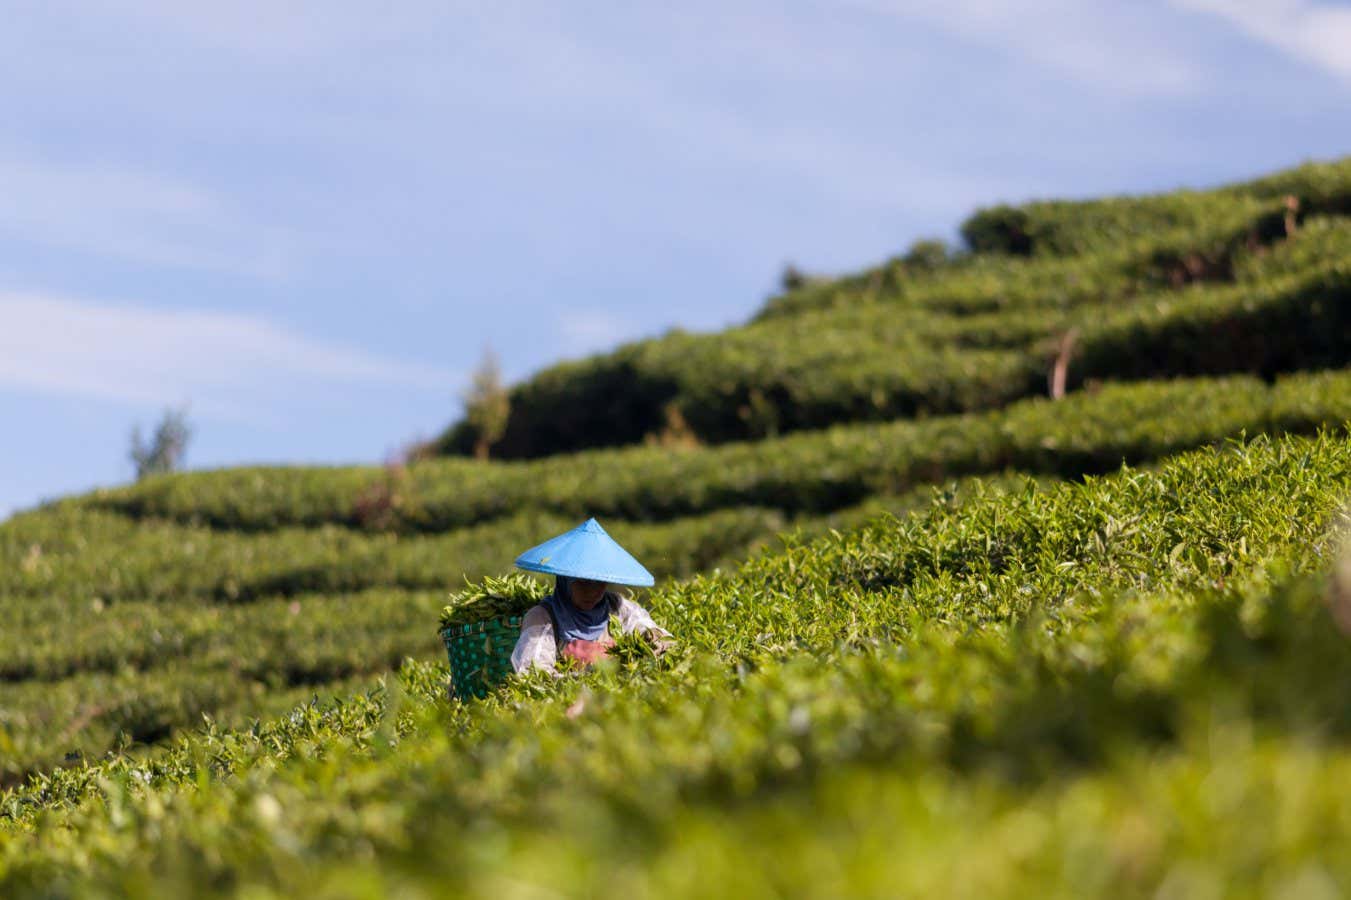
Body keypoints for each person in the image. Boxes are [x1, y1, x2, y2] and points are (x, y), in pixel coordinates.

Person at [509, 518, 672, 673]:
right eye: (583, 582)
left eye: (599, 583)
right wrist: (590, 676)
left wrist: (653, 645)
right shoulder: (542, 617)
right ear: (566, 581)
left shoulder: (617, 607)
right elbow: (533, 674)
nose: (592, 592)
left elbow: (655, 634)